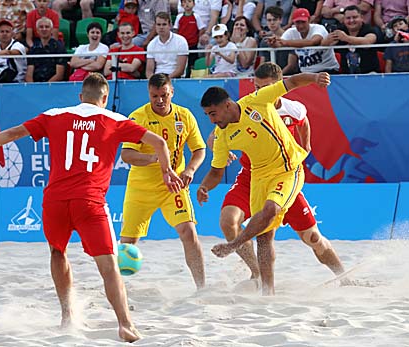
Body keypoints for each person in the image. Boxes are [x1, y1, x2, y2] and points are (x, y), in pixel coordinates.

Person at [0, 72, 184, 343]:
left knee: (58, 252)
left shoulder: (55, 115)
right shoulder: (115, 120)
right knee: (108, 266)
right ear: (105, 98)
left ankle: (67, 315)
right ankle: (125, 324)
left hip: (55, 201)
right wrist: (167, 171)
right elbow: (160, 143)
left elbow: (13, 133)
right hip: (90, 202)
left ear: (80, 97)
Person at [205, 62, 347, 284]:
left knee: (312, 237)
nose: (261, 90)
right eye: (258, 86)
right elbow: (214, 143)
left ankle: (344, 277)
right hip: (254, 176)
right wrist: (204, 184)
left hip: (284, 172)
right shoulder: (237, 117)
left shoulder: (285, 106)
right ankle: (261, 282)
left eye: (266, 86)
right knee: (253, 232)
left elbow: (302, 118)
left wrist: (306, 146)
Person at [120, 73, 206, 289]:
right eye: (154, 96)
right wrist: (153, 159)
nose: (159, 100)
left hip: (174, 185)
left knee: (189, 231)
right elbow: (127, 155)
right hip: (141, 188)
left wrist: (190, 170)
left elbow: (200, 150)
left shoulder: (184, 116)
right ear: (149, 94)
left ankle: (201, 287)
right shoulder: (138, 117)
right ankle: (118, 289)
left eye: (164, 95)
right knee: (128, 244)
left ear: (172, 93)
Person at [268, 8, 340, 75]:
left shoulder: (318, 28)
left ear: (309, 20)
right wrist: (273, 42)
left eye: (303, 22)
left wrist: (286, 42)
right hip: (306, 73)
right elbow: (279, 44)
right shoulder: (291, 32)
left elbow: (313, 42)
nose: (301, 25)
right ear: (293, 22)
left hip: (328, 71)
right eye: (298, 22)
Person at [322, 5, 379, 74]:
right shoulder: (340, 30)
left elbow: (368, 41)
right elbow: (323, 45)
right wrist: (328, 40)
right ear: (343, 20)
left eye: (355, 17)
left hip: (369, 73)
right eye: (348, 18)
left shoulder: (370, 29)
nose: (351, 20)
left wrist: (346, 38)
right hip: (345, 75)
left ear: (361, 18)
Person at [145, 12, 189, 79]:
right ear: (155, 26)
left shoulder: (181, 41)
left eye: (164, 24)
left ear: (170, 26)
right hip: (157, 78)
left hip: (176, 78)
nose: (161, 27)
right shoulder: (152, 44)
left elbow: (180, 70)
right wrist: (153, 80)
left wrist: (165, 79)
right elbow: (149, 71)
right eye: (158, 24)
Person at [25, 17, 66, 82]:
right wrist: (32, 87)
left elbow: (59, 75)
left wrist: (45, 87)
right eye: (41, 27)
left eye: (47, 27)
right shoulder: (33, 48)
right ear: (37, 30)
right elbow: (29, 74)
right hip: (35, 86)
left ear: (52, 30)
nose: (44, 29)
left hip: (53, 86)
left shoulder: (59, 47)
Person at [173, 0, 206, 77]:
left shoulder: (196, 16)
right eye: (184, 2)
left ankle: (191, 76)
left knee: (192, 63)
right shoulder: (179, 17)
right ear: (181, 5)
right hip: (181, 46)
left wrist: (198, 39)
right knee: (181, 63)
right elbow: (175, 29)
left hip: (192, 45)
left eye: (189, 1)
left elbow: (201, 29)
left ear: (194, 4)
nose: (187, 4)